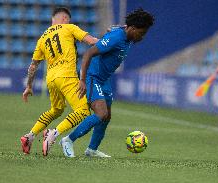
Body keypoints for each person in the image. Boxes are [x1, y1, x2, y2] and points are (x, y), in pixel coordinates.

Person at [57, 8, 154, 158]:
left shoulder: (126, 34)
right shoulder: (117, 38)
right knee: (100, 113)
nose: (142, 37)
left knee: (106, 116)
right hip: (93, 77)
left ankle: (91, 150)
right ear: (133, 29)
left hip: (104, 79)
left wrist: (114, 28)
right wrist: (82, 80)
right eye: (141, 33)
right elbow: (89, 53)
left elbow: (119, 27)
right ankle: (68, 140)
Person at [20, 7, 99, 156]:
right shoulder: (69, 27)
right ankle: (53, 133)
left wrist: (29, 86)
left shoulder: (42, 38)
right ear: (64, 18)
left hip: (51, 79)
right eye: (68, 19)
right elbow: (91, 41)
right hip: (67, 76)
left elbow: (33, 66)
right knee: (83, 110)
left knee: (56, 110)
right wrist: (109, 41)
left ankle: (29, 136)